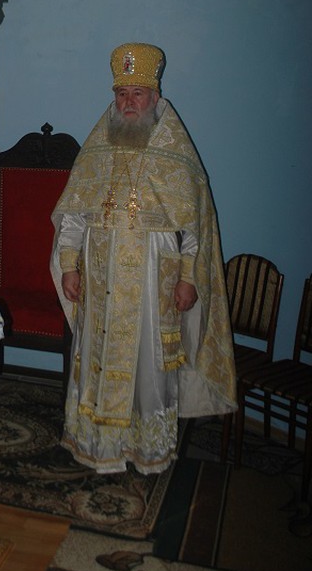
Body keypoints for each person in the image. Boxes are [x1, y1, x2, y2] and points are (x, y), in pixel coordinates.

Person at [50, 42, 236, 476]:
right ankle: (98, 447)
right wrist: (69, 265)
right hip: (100, 275)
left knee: (149, 366)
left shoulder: (175, 149)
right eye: (121, 94)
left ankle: (147, 452)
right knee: (96, 357)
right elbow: (75, 214)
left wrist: (188, 277)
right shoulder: (98, 147)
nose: (128, 102)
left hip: (154, 276)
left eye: (137, 93)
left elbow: (194, 224)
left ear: (155, 96)